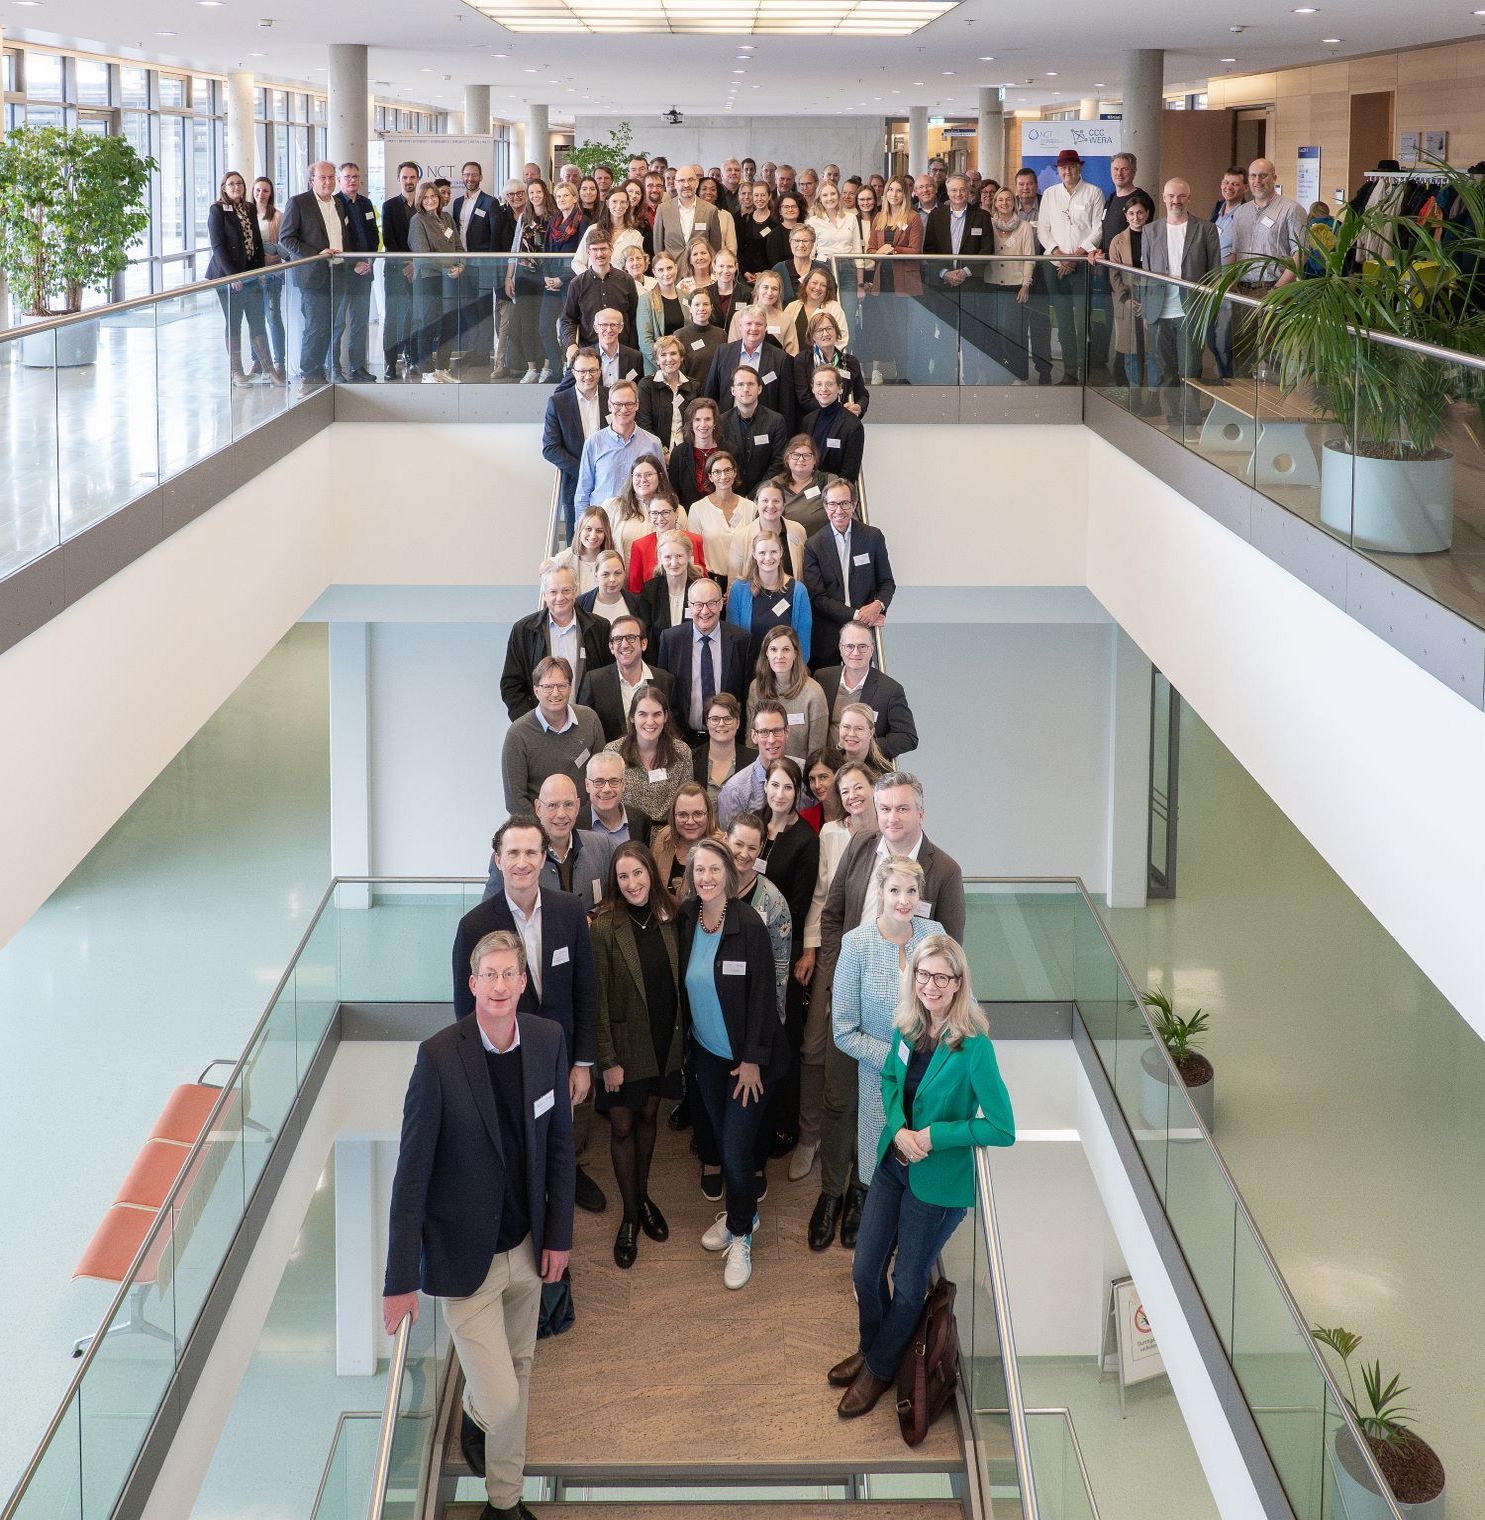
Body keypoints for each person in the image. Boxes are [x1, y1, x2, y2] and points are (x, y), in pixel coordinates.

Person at [383, 928, 573, 1520]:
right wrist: (398, 1280)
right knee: (501, 1394)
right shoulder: (439, 1057)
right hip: (464, 1260)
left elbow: (561, 1146)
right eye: (486, 975)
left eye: (507, 974)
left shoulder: (547, 1040)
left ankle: (505, 1500)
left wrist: (559, 1237)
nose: (497, 985)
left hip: (527, 1245)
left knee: (520, 1369)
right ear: (471, 985)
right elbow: (410, 1176)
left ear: (522, 982)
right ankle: (472, 1408)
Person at [829, 933, 1014, 1417]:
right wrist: (897, 1130)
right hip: (893, 1164)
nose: (930, 985)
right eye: (923, 974)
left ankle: (879, 1370)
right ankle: (877, 1354)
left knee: (909, 1284)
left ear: (958, 983)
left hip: (937, 1183)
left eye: (941, 977)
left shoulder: (975, 1047)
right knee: (865, 1270)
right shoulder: (907, 1026)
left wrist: (934, 1136)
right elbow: (891, 1081)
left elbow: (1002, 1127)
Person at [805, 771, 967, 1253]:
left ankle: (863, 1193)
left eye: (901, 808)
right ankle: (831, 1193)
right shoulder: (859, 847)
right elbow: (833, 915)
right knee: (839, 1101)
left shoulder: (944, 871)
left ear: (921, 812)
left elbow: (950, 952)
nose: (892, 818)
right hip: (854, 1000)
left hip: (912, 1027)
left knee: (889, 1111)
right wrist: (841, 973)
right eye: (885, 809)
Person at [451, 817, 605, 1217]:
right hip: (505, 1062)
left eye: (531, 852)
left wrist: (582, 1062)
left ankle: (559, 1219)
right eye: (513, 853)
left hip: (560, 1057)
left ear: (544, 857)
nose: (522, 861)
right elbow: (464, 1012)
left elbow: (585, 990)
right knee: (517, 1149)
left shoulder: (569, 911)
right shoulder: (474, 926)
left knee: (560, 1143)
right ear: (498, 859)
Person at [678, 838, 781, 1290]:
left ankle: (740, 1235)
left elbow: (763, 997)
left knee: (738, 1150)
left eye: (713, 869)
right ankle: (744, 1213)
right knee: (722, 1144)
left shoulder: (749, 924)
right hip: (706, 1055)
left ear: (729, 873)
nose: (706, 878)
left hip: (746, 1062)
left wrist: (754, 1060)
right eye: (698, 870)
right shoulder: (687, 919)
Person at [593, 843, 684, 1269]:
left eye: (639, 873)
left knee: (649, 1119)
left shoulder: (670, 917)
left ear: (651, 871)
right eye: (624, 876)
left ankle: (642, 1196)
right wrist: (607, 1060)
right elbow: (597, 1000)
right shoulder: (605, 925)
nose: (632, 883)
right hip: (623, 1051)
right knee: (624, 1125)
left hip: (663, 1042)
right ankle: (630, 1218)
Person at [831, 856, 943, 1188]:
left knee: (926, 1166)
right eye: (895, 890)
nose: (903, 900)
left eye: (911, 891)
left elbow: (959, 995)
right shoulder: (856, 944)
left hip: (932, 1075)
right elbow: (843, 1032)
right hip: (882, 1078)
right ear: (881, 891)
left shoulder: (934, 934)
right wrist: (897, 1060)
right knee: (883, 1171)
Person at [790, 760, 875, 1179]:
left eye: (859, 788)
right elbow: (823, 898)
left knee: (863, 1050)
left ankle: (859, 1144)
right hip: (834, 951)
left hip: (879, 963)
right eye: (845, 791)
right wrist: (812, 949)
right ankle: (810, 1135)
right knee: (814, 1045)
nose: (852, 796)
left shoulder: (891, 837)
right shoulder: (831, 833)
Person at [1139, 179, 1222, 424]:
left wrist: (1210, 311)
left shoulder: (1206, 229)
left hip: (1191, 311)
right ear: (1163, 198)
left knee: (1190, 369)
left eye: (1181, 196)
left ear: (1189, 197)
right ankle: (1174, 417)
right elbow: (1145, 273)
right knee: (1165, 370)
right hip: (1158, 312)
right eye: (1171, 196)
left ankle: (1191, 418)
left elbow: (1215, 272)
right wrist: (1145, 311)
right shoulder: (1150, 230)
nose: (1176, 201)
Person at [483, 773, 615, 914]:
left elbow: (615, 900)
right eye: (552, 805)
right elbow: (488, 915)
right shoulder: (510, 859)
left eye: (568, 805)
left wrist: (592, 916)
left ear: (577, 807)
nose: (561, 814)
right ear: (538, 808)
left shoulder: (602, 847)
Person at [501, 563, 612, 719]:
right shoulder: (523, 630)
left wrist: (596, 722)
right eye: (553, 592)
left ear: (575, 592)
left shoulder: (600, 627)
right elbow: (511, 684)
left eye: (566, 590)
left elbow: (608, 679)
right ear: (545, 595)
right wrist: (531, 722)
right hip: (539, 728)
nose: (560, 597)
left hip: (587, 725)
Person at [802, 479, 894, 667]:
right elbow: (818, 597)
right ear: (825, 506)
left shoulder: (873, 537)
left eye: (845, 503)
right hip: (828, 636)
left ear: (855, 505)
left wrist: (878, 605)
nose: (839, 510)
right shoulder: (813, 545)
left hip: (865, 632)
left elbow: (886, 582)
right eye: (833, 504)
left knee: (865, 692)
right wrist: (857, 614)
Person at [277, 160, 350, 393]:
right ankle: (308, 376)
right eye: (323, 178)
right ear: (312, 180)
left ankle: (320, 372)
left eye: (331, 177)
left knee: (332, 326)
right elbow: (286, 238)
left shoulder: (338, 203)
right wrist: (316, 255)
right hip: (313, 275)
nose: (328, 182)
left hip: (338, 273)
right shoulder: (299, 202)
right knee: (315, 327)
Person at [501, 656, 608, 814]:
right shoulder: (518, 734)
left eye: (561, 686)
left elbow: (602, 775)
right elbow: (515, 801)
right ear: (536, 691)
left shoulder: (589, 720)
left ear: (570, 687)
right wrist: (547, 830)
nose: (555, 693)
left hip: (586, 823)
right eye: (548, 687)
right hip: (540, 830)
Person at [1037, 149, 1106, 384]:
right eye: (1063, 168)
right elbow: (1043, 229)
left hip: (1082, 265)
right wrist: (1059, 254)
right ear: (1058, 170)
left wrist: (1076, 256)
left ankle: (1084, 371)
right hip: (1055, 266)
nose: (1067, 171)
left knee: (1082, 321)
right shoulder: (1049, 194)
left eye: (1072, 167)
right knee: (1064, 322)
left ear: (1080, 168)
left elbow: (1098, 229)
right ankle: (1068, 372)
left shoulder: (1094, 193)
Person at [656, 576, 751, 742]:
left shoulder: (742, 640)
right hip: (683, 739)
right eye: (698, 604)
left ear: (721, 604)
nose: (705, 611)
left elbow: (746, 694)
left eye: (711, 603)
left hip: (729, 739)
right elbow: (663, 694)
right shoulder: (671, 639)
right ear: (689, 606)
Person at [1230, 158, 1306, 364]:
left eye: (1263, 175)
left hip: (1275, 291)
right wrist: (1231, 284)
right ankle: (1240, 397)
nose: (1257, 181)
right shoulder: (1241, 213)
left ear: (1274, 177)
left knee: (1274, 355)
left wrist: (1277, 291)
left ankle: (1274, 396)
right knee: (1241, 353)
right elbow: (1235, 253)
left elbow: (1299, 254)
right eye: (1253, 176)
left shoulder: (1291, 210)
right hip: (1242, 293)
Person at [206, 170, 276, 387]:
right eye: (231, 184)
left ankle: (269, 369)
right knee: (234, 323)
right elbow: (218, 246)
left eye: (239, 183)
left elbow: (256, 242)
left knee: (257, 322)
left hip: (251, 275)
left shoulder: (248, 208)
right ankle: (236, 372)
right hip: (228, 277)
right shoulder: (217, 210)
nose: (236, 187)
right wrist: (232, 276)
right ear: (223, 188)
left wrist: (260, 272)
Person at [815, 623, 918, 759]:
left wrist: (865, 748)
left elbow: (908, 737)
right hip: (826, 768)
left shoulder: (890, 690)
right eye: (849, 646)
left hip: (865, 770)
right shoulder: (822, 678)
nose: (856, 652)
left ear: (872, 650)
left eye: (862, 647)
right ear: (840, 649)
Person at [604, 682, 695, 825]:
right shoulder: (613, 752)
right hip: (627, 834)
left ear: (665, 717)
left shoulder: (681, 753)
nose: (650, 721)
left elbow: (686, 803)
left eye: (657, 714)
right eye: (643, 714)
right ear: (632, 717)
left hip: (669, 836)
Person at [542, 349, 606, 544]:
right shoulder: (558, 402)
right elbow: (550, 448)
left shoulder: (612, 397)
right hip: (576, 484)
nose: (588, 376)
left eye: (593, 370)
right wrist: (585, 471)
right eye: (582, 371)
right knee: (578, 544)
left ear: (600, 371)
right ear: (573, 372)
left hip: (610, 484)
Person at [578, 614, 675, 740]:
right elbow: (585, 727)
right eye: (617, 639)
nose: (624, 644)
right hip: (610, 757)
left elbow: (672, 729)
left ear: (643, 644)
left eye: (631, 638)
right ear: (611, 647)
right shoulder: (594, 681)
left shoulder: (665, 680)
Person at [726, 529, 811, 670]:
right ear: (754, 554)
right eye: (762, 553)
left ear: (781, 552)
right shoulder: (739, 589)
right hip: (749, 671)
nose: (768, 558)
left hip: (785, 673)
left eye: (773, 552)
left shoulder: (798, 591)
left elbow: (803, 646)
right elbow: (734, 640)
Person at [449, 162, 505, 377]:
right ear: (462, 177)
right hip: (464, 264)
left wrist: (491, 264)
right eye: (466, 174)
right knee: (469, 308)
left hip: (483, 264)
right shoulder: (456, 203)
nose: (470, 178)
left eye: (473, 175)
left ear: (480, 177)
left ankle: (483, 351)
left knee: (483, 309)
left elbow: (495, 237)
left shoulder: (490, 203)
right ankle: (473, 350)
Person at [574, 381, 663, 516]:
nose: (623, 409)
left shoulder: (653, 443)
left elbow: (661, 489)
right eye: (618, 404)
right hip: (603, 524)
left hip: (641, 523)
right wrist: (583, 527)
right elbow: (582, 493)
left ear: (637, 405)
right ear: (609, 406)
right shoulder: (593, 443)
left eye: (629, 404)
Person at [406, 178, 463, 384]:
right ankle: (427, 372)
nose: (430, 200)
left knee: (448, 324)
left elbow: (458, 247)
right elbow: (424, 254)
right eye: (426, 197)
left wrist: (460, 266)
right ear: (420, 200)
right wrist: (450, 267)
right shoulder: (417, 221)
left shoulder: (447, 218)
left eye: (433, 196)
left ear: (439, 198)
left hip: (449, 279)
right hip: (427, 279)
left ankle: (442, 368)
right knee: (427, 324)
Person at [705, 304, 796, 431]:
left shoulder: (781, 359)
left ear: (765, 328)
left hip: (766, 428)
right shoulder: (723, 352)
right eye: (748, 324)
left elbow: (787, 404)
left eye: (759, 324)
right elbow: (710, 393)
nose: (753, 328)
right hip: (727, 427)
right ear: (740, 326)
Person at [747, 625, 826, 761]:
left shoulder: (814, 692)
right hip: (765, 773)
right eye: (773, 649)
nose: (779, 656)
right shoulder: (756, 687)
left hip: (799, 773)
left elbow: (816, 751)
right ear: (766, 653)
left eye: (786, 650)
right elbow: (751, 739)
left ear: (795, 653)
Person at [502, 179, 553, 385]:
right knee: (525, 325)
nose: (534, 196)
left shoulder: (554, 217)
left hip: (547, 275)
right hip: (525, 276)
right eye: (531, 192)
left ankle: (548, 367)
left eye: (537, 192)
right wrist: (509, 276)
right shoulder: (525, 217)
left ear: (544, 193)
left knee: (546, 324)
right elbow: (515, 249)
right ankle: (532, 368)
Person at [331, 162, 378, 384]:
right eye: (347, 177)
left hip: (365, 273)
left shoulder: (366, 203)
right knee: (338, 323)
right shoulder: (335, 204)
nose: (352, 180)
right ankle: (334, 369)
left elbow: (373, 236)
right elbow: (338, 240)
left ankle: (357, 367)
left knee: (360, 323)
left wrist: (370, 259)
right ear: (339, 180)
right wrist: (354, 264)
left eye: (355, 176)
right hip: (344, 274)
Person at [985, 186, 1037, 383]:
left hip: (1015, 286)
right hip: (991, 284)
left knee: (1014, 333)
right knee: (994, 331)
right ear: (995, 203)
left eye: (1008, 199)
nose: (1004, 203)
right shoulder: (989, 224)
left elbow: (1029, 258)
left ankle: (1019, 374)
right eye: (1000, 200)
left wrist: (1026, 284)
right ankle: (998, 371)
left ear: (1013, 203)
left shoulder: (1024, 226)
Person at [559, 232, 639, 359]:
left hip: (623, 352)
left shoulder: (626, 280)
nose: (600, 254)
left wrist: (633, 352)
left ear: (611, 250)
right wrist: (571, 345)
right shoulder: (577, 284)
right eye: (595, 249)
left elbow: (635, 318)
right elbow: (568, 320)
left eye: (603, 249)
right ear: (588, 252)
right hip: (589, 355)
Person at [715, 699, 791, 827]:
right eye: (764, 732)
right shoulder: (735, 790)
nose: (771, 740)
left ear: (787, 732)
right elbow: (729, 841)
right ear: (754, 736)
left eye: (777, 730)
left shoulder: (804, 774)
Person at [687, 450, 756, 584]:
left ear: (735, 472)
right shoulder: (697, 509)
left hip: (746, 580)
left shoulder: (750, 507)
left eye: (727, 470)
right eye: (717, 472)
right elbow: (694, 552)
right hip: (710, 581)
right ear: (710, 477)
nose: (723, 476)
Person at [541, 179, 587, 382]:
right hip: (551, 281)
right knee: (544, 327)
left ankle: (571, 370)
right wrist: (547, 276)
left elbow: (582, 256)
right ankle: (557, 366)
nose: (561, 199)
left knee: (569, 329)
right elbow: (546, 251)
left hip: (571, 282)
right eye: (558, 196)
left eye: (566, 195)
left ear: (575, 198)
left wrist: (562, 278)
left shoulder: (583, 221)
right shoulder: (553, 221)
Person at [604, 453, 685, 565]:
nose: (643, 480)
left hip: (663, 578)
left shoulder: (677, 510)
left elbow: (686, 548)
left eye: (649, 475)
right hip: (622, 578)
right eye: (637, 475)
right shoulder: (613, 507)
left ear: (660, 476)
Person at [719, 367, 788, 496]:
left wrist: (758, 491)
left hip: (765, 494)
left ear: (759, 389)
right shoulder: (721, 422)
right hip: (730, 492)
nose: (745, 389)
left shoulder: (776, 421)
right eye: (740, 384)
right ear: (732, 390)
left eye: (751, 384)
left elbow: (778, 462)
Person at [1013, 167, 1054, 385]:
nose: (1025, 188)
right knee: (1017, 324)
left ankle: (1044, 369)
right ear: (1016, 187)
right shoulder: (1009, 207)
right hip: (1015, 273)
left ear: (1036, 185)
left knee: (1040, 325)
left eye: (1029, 183)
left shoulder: (1046, 205)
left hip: (1041, 274)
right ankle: (1019, 370)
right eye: (1021, 184)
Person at [379, 161, 419, 382]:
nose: (409, 181)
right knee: (393, 318)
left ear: (417, 179)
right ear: (399, 180)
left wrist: (416, 264)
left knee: (414, 316)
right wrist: (407, 264)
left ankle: (411, 356)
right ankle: (389, 363)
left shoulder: (424, 205)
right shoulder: (389, 206)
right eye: (405, 177)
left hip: (419, 271)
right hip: (396, 271)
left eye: (412, 177)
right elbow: (389, 240)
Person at [1206, 166, 1247, 378]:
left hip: (1229, 287)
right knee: (1210, 338)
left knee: (1225, 340)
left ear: (1245, 188)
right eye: (1226, 182)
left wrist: (1228, 279)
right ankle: (1224, 375)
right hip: (1211, 286)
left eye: (1235, 184)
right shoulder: (1218, 209)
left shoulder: (1245, 213)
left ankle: (1229, 383)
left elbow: (1240, 250)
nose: (1228, 187)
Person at [653, 163, 726, 278]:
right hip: (671, 275)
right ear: (675, 184)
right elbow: (658, 247)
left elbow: (715, 248)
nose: (686, 185)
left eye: (690, 180)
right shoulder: (663, 209)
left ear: (697, 183)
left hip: (701, 275)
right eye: (681, 181)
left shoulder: (710, 210)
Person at [624, 490, 706, 592]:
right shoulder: (640, 546)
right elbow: (635, 590)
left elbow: (703, 580)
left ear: (676, 513)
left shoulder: (695, 540)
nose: (660, 518)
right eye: (654, 513)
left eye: (665, 512)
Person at [793, 312, 868, 419]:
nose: (825, 334)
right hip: (813, 422)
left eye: (829, 328)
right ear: (812, 335)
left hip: (843, 423)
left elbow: (862, 395)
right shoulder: (802, 360)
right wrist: (837, 411)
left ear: (836, 331)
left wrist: (859, 407)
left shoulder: (850, 362)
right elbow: (803, 398)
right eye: (819, 330)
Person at [799, 366, 865, 484]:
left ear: (839, 389)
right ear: (813, 389)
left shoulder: (853, 425)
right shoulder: (807, 420)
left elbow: (849, 472)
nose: (823, 389)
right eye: (818, 384)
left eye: (829, 384)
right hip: (807, 489)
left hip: (835, 493)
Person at [636, 333, 698, 456]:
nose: (669, 359)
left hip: (687, 454)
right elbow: (643, 424)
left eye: (673, 353)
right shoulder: (646, 386)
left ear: (681, 357)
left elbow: (695, 424)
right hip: (655, 454)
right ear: (657, 360)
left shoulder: (693, 386)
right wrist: (663, 452)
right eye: (663, 355)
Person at [736, 480, 807, 579]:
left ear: (784, 504)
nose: (770, 505)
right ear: (756, 503)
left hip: (793, 593)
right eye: (765, 500)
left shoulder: (798, 530)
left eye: (776, 501)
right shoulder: (741, 537)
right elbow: (734, 581)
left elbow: (804, 572)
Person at [693, 692, 755, 806]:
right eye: (715, 719)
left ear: (737, 723)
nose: (721, 724)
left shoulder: (754, 760)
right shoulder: (692, 759)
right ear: (707, 723)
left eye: (728, 719)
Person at [579, 749, 652, 845]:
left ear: (623, 784)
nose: (606, 789)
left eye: (614, 781)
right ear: (587, 785)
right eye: (599, 782)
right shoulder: (574, 823)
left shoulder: (641, 822)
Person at [638, 530, 704, 636]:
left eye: (679, 556)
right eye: (668, 557)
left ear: (689, 555)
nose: (674, 563)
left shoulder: (701, 589)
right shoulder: (650, 590)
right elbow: (646, 634)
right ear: (660, 558)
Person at [779, 265, 850, 358]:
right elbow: (783, 337)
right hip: (794, 363)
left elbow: (841, 338)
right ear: (806, 284)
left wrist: (824, 359)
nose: (818, 288)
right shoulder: (792, 307)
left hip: (825, 366)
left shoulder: (834, 307)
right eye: (814, 283)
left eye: (823, 285)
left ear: (827, 290)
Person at [772, 434, 835, 537]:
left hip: (821, 545)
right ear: (787, 458)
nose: (801, 459)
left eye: (807, 455)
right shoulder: (776, 484)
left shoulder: (828, 481)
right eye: (796, 455)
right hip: (786, 545)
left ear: (815, 460)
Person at [635, 251, 689, 373]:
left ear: (675, 267)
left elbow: (690, 332)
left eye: (669, 268)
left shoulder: (686, 296)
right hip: (657, 368)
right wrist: (666, 364)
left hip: (684, 366)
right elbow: (645, 341)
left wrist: (681, 362)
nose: (666, 273)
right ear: (654, 272)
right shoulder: (646, 300)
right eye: (661, 270)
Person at [666, 396, 724, 508]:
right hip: (689, 516)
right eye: (697, 419)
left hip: (722, 514)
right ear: (691, 424)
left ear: (715, 422)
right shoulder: (679, 453)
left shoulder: (729, 451)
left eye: (707, 419)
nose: (703, 424)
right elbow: (674, 492)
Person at [573, 185, 644, 275]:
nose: (618, 206)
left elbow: (636, 266)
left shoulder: (635, 235)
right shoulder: (593, 229)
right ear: (607, 203)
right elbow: (577, 262)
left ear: (627, 205)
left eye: (622, 202)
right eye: (614, 201)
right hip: (594, 286)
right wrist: (590, 280)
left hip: (621, 286)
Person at [548, 507, 615, 595]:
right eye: (588, 529)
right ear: (580, 530)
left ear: (606, 533)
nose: (593, 536)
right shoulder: (564, 559)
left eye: (599, 531)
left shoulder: (613, 561)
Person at [674, 288, 725, 388]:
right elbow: (679, 372)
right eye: (697, 304)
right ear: (690, 308)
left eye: (706, 304)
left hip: (717, 392)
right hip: (691, 394)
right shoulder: (680, 335)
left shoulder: (721, 334)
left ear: (712, 307)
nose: (702, 308)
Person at [807, 180, 863, 258]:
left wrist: (859, 269)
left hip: (848, 265)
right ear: (820, 199)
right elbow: (810, 254)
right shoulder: (812, 222)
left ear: (838, 195)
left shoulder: (851, 218)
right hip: (824, 265)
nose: (829, 198)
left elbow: (857, 249)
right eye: (825, 195)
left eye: (833, 194)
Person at [837, 702, 891, 781]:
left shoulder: (885, 774)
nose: (851, 734)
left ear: (871, 733)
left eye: (859, 728)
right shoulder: (826, 762)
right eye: (846, 727)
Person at [738, 181, 778, 282]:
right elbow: (740, 249)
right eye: (756, 195)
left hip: (769, 275)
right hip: (747, 275)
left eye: (763, 195)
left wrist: (765, 273)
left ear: (769, 197)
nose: (759, 199)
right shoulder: (745, 219)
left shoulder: (776, 221)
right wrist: (744, 271)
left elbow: (777, 253)